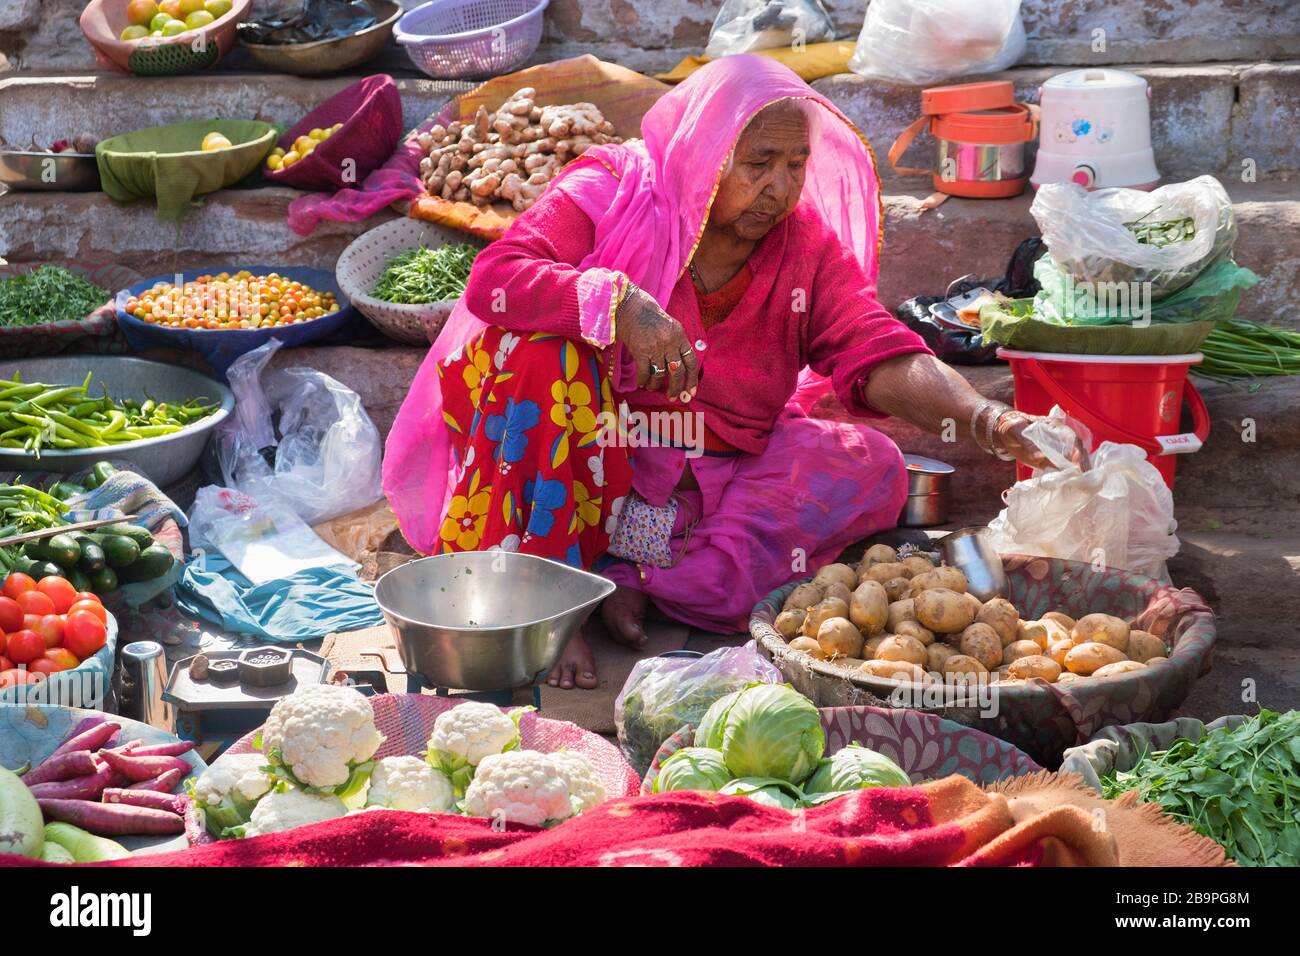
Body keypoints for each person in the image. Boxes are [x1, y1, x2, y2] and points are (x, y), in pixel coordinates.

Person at [384, 56, 1083, 689]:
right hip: (581, 467)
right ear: (706, 149)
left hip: (709, 470)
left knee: (873, 465)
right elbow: (497, 277)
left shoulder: (802, 246)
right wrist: (615, 300)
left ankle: (634, 576)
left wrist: (990, 419)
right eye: (758, 163)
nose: (779, 188)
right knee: (541, 354)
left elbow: (874, 345)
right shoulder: (610, 190)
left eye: (796, 164)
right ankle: (551, 592)